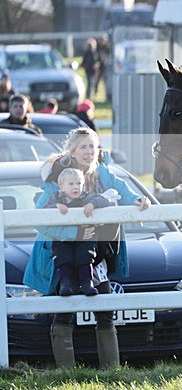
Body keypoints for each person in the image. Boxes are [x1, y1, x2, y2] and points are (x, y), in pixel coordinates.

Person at [23, 127, 151, 369]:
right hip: (64, 255)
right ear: (71, 150)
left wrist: (137, 199)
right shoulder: (55, 180)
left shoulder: (103, 174)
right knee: (65, 307)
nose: (89, 151)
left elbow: (123, 190)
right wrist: (76, 232)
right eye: (83, 147)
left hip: (96, 254)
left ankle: (111, 371)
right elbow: (40, 220)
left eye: (93, 146)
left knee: (104, 305)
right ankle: (66, 372)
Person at [43, 168, 118, 296]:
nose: (75, 187)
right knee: (63, 257)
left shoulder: (86, 197)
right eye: (71, 184)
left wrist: (92, 204)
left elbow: (105, 200)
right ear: (61, 187)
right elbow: (44, 211)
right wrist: (56, 207)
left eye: (79, 184)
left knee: (85, 257)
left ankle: (87, 283)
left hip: (85, 238)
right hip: (63, 240)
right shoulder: (56, 198)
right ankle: (66, 285)